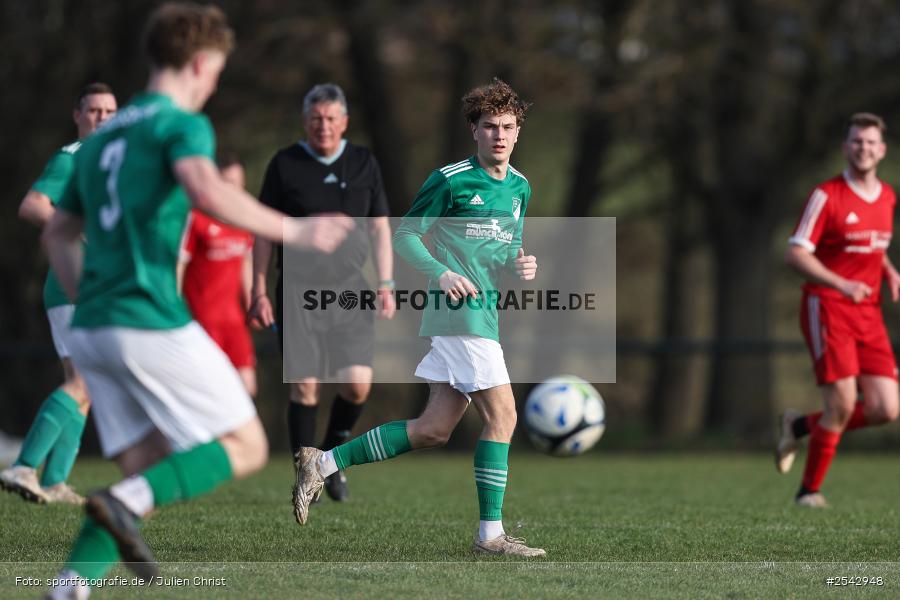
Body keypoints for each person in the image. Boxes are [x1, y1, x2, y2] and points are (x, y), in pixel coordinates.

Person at [42, 3, 353, 595]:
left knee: (150, 469)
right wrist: (295, 231)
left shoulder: (108, 133)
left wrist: (93, 302)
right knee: (245, 444)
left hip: (92, 325)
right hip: (145, 317)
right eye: (216, 72)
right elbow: (206, 189)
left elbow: (56, 232)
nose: (213, 85)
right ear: (202, 62)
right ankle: (119, 503)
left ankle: (69, 587)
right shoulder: (179, 123)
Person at [292, 78, 545, 557]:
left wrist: (521, 263)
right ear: (473, 130)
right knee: (504, 416)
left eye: (509, 127)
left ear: (518, 131)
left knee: (434, 429)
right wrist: (443, 272)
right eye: (489, 126)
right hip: (458, 313)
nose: (500, 135)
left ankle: (321, 463)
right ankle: (490, 536)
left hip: (486, 312)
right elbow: (407, 235)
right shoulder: (451, 179)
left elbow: (508, 249)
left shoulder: (520, 189)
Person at [247, 83, 395, 502]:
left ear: (344, 121)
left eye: (331, 119)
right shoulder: (285, 164)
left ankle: (328, 462)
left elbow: (380, 227)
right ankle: (303, 478)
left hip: (351, 291)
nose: (323, 126)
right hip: (297, 291)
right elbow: (261, 232)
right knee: (305, 387)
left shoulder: (364, 162)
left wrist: (385, 282)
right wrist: (258, 289)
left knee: (357, 386)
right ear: (305, 122)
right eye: (316, 119)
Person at [0, 83, 117, 505]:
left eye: (109, 111)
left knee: (84, 385)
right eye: (94, 111)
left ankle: (53, 481)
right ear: (77, 115)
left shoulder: (109, 162)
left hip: (90, 285)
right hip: (72, 286)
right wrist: (77, 233)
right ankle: (23, 466)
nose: (102, 118)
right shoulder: (73, 156)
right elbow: (33, 205)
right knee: (84, 382)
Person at [777, 112, 900, 508]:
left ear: (881, 150)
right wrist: (840, 283)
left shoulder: (887, 196)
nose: (863, 148)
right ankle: (808, 492)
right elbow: (795, 253)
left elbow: (871, 246)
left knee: (885, 409)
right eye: (856, 141)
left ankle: (797, 425)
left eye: (870, 142)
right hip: (827, 305)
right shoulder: (826, 195)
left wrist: (889, 270)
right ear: (845, 147)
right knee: (843, 404)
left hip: (869, 312)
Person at [179, 152, 257, 395]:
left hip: (233, 322)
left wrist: (253, 301)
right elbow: (178, 268)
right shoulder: (196, 219)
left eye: (238, 184)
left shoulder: (245, 222)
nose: (234, 190)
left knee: (247, 388)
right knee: (213, 393)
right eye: (228, 183)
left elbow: (245, 263)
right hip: (202, 321)